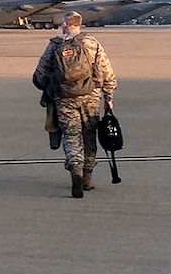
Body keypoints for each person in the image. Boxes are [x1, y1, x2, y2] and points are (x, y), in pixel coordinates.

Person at [33, 10, 116, 198]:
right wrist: (108, 97)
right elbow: (107, 71)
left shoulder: (55, 46)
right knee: (89, 135)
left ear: (64, 25)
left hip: (65, 98)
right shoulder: (92, 44)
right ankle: (87, 177)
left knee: (71, 136)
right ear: (79, 24)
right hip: (91, 96)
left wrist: (50, 89)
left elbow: (40, 73)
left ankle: (75, 171)